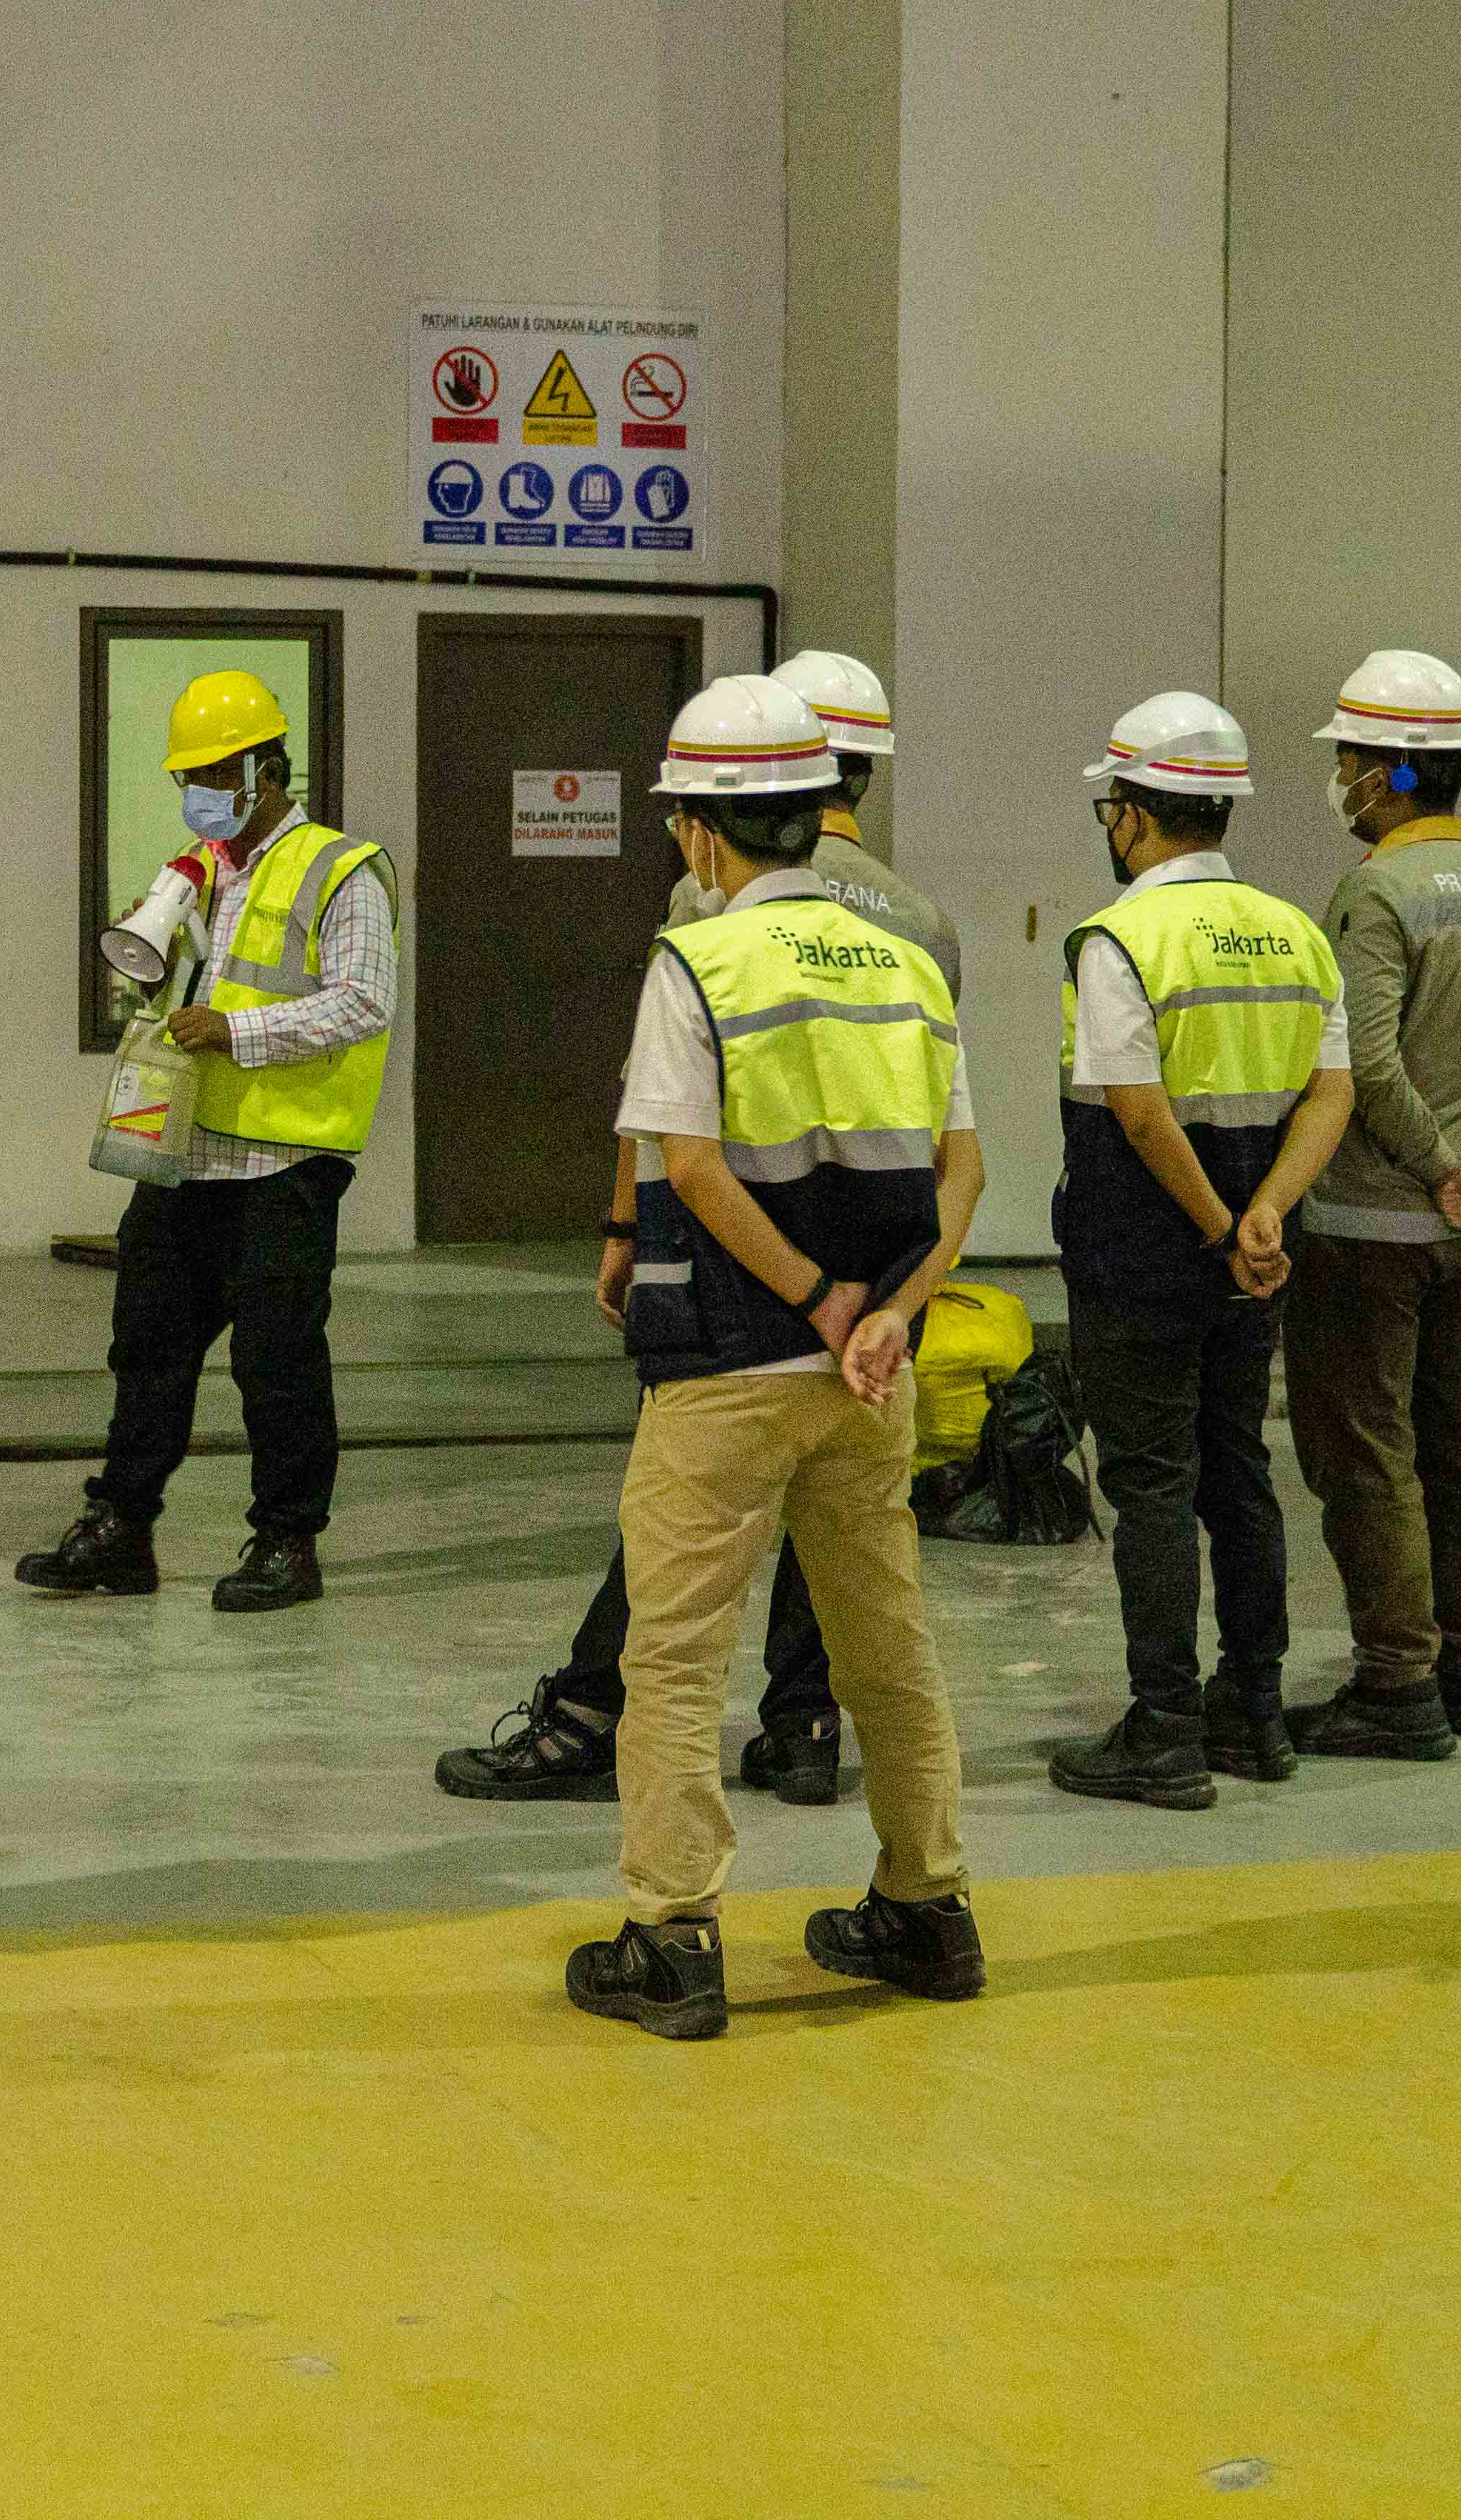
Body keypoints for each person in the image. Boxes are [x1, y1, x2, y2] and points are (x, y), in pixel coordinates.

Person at [438, 644, 958, 1810]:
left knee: (681, 1525)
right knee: (849, 1542)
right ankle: (807, 1727)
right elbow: (941, 1144)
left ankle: (594, 1721)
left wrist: (625, 1226)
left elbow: (662, 1097)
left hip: (733, 1278)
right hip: (874, 1290)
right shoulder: (923, 929)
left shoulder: (708, 906)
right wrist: (880, 1302)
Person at [563, 678, 986, 2041]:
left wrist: (814, 1301)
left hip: (728, 1364)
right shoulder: (907, 964)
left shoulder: (699, 961)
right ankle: (927, 1906)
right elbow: (963, 1171)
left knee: (678, 1656)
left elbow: (690, 1164)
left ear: (701, 831)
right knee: (886, 1646)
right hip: (871, 1379)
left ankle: (673, 1937)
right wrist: (887, 1316)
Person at [16, 670, 393, 1615]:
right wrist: (156, 975)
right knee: (146, 1346)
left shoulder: (342, 870)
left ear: (268, 770)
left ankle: (287, 1543)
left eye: (220, 772)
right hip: (186, 1156)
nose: (202, 791)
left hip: (286, 1162)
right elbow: (179, 988)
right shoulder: (196, 872)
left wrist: (234, 1030)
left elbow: (363, 1001)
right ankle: (121, 1528)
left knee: (277, 1361)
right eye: (191, 775)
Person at [1044, 694, 1354, 1810]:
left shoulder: (1119, 938)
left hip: (1144, 1255)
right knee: (1237, 1467)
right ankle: (1254, 1711)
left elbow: (1138, 1111)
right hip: (1259, 1257)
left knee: (1153, 1483)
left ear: (1132, 812)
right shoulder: (1296, 932)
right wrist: (1264, 1214)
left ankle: (1166, 1728)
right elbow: (1333, 1093)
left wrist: (1220, 1228)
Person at [1281, 652, 1461, 1758]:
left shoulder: (1380, 894)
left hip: (1373, 1223)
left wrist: (1436, 1166)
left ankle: (1398, 1682)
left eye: (1349, 758)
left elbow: (1368, 1064)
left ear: (1389, 772)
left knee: (1368, 1450)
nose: (1340, 778)